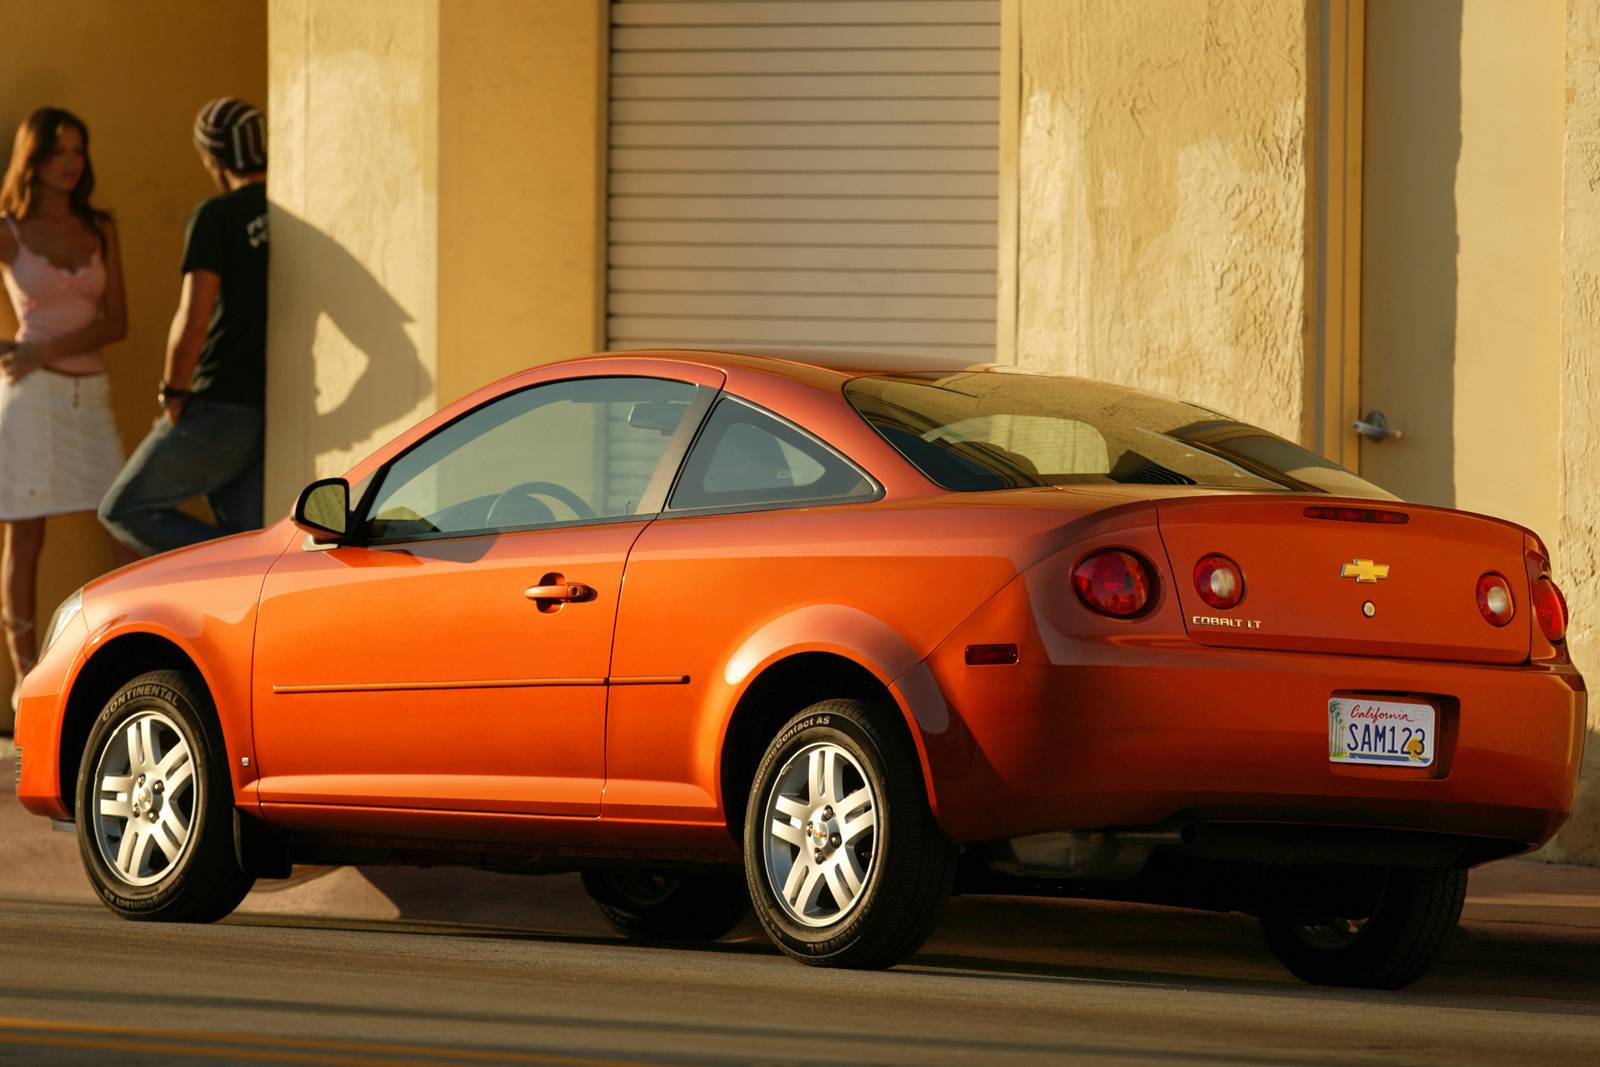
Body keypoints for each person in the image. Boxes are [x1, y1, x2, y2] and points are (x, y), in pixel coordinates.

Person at [98, 97, 268, 557]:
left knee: (123, 509)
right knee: (244, 528)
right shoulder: (290, 212)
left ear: (212, 158)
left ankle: (246, 564)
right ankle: (247, 561)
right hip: (273, 406)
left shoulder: (216, 215)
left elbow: (193, 318)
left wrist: (173, 392)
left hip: (218, 402)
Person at [0, 107, 128, 715]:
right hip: (30, 400)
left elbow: (117, 323)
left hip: (88, 394)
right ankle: (27, 686)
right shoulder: (9, 229)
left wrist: (43, 346)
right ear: (35, 159)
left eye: (79, 149)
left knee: (123, 517)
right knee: (25, 534)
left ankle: (129, 652)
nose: (71, 162)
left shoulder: (100, 226)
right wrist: (13, 351)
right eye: (58, 152)